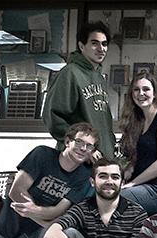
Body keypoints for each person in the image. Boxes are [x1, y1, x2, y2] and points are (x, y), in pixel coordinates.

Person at [43, 21, 115, 159]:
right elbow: (53, 117)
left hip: (101, 159)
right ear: (82, 46)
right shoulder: (70, 73)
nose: (101, 48)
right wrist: (83, 147)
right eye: (94, 43)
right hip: (78, 160)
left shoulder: (99, 77)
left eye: (104, 44)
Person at [119, 71, 157, 216]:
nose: (140, 93)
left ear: (155, 93)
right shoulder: (138, 120)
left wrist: (133, 183)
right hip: (139, 185)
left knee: (116, 199)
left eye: (146, 89)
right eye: (136, 90)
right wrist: (129, 168)